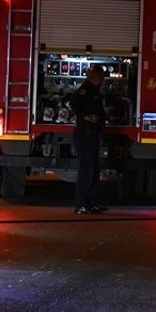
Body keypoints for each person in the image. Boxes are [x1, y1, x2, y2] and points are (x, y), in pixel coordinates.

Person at [68, 64, 108, 215]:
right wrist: (85, 116)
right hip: (85, 134)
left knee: (94, 169)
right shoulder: (86, 89)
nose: (103, 79)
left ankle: (91, 203)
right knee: (87, 171)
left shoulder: (94, 89)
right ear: (95, 76)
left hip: (92, 134)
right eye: (101, 76)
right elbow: (73, 102)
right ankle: (80, 205)